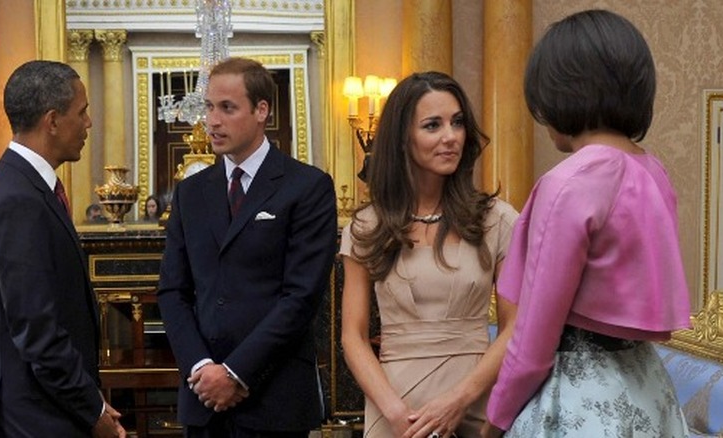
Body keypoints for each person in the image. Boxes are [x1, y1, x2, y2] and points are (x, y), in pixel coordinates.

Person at [483, 10, 691, 437]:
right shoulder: (654, 172)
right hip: (648, 389)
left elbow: (533, 340)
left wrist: (495, 420)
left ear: (562, 93)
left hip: (580, 396)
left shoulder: (569, 182)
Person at [156, 57, 338, 437]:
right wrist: (202, 368)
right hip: (203, 399)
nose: (213, 121)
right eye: (209, 107)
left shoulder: (307, 187)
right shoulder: (190, 193)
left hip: (275, 400)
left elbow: (300, 298)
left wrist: (235, 373)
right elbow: (173, 291)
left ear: (261, 110)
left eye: (227, 108)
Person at [340, 71, 519, 438]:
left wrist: (458, 400)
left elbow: (516, 328)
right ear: (402, 138)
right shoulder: (366, 227)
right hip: (394, 410)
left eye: (457, 123)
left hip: (475, 404)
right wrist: (395, 413)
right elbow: (353, 337)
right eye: (432, 125)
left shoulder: (497, 219)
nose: (450, 137)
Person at [0, 60, 126, 438]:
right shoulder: (19, 201)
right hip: (34, 420)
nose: (88, 123)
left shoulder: (21, 185)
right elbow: (38, 333)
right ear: (52, 121)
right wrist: (93, 412)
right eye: (82, 112)